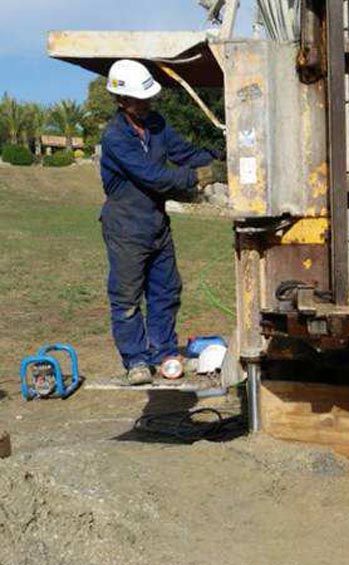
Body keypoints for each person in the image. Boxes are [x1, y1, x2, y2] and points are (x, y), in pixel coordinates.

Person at [99, 59, 227, 385]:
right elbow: (153, 176)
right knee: (127, 297)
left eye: (148, 98)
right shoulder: (115, 137)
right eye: (140, 99)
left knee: (166, 290)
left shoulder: (156, 124)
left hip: (156, 223)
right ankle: (136, 360)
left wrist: (221, 158)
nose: (147, 103)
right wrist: (198, 178)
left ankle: (163, 351)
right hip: (126, 226)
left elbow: (185, 153)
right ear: (121, 100)